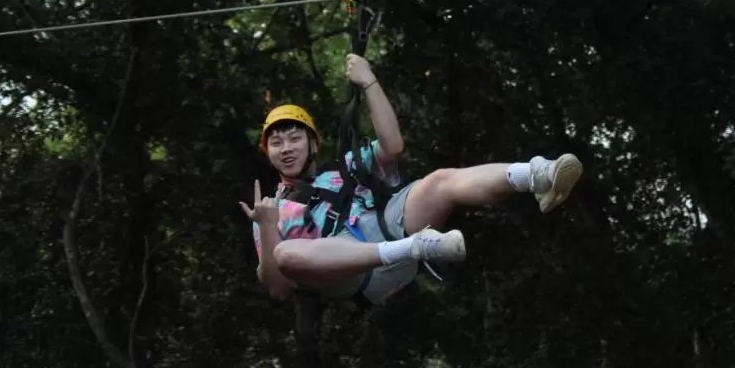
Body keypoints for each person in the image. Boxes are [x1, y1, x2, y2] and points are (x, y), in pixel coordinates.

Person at [241, 53, 583, 307]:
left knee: (439, 181)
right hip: (350, 271)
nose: (286, 148)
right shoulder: (270, 210)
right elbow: (278, 289)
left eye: (294, 138)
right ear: (267, 152)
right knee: (286, 253)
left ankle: (538, 175)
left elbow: (393, 145)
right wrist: (268, 225)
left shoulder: (345, 167)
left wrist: (369, 81)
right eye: (277, 142)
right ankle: (414, 246)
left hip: (387, 226)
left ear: (313, 143)